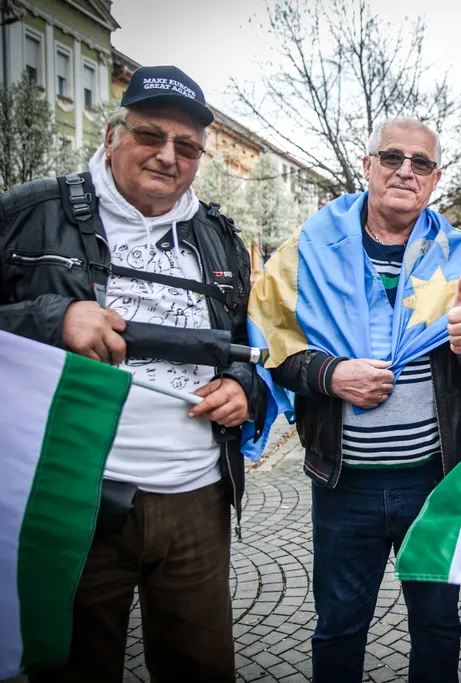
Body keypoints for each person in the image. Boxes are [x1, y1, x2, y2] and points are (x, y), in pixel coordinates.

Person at [0, 65, 263, 682]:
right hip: (74, 495)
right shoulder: (29, 213)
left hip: (196, 496)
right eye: (150, 135)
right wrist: (53, 318)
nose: (167, 157)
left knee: (201, 669)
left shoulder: (218, 236)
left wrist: (242, 390)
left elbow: (246, 348)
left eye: (187, 146)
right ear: (114, 133)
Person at [252, 118, 461, 683]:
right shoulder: (309, 248)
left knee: (438, 626)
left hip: (432, 481)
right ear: (368, 166)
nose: (405, 171)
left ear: (435, 179)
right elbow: (271, 342)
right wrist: (331, 374)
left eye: (421, 163)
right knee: (339, 626)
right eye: (392, 157)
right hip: (346, 486)